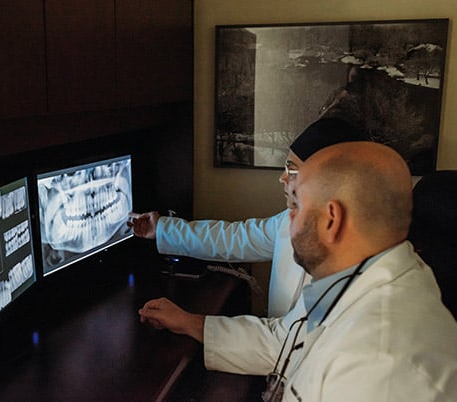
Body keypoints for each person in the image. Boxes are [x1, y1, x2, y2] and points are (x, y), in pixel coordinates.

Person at [138, 142, 457, 401]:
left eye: (296, 207)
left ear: (332, 219)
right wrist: (191, 322)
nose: (286, 223)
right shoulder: (356, 283)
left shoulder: (380, 365)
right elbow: (285, 339)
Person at [129, 117, 369, 317]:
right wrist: (161, 228)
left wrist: (190, 321)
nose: (282, 178)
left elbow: (283, 340)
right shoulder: (290, 221)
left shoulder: (364, 269)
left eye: (292, 171)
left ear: (328, 182)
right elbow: (234, 238)